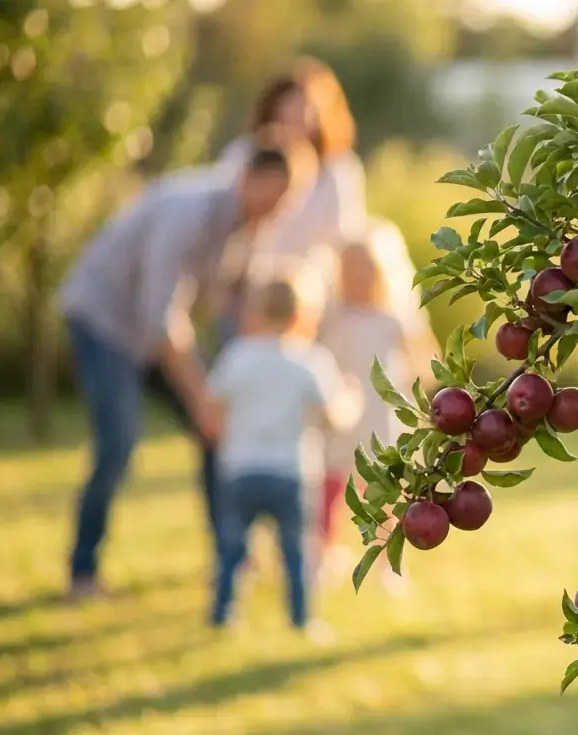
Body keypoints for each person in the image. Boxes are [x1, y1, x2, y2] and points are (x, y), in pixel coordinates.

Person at [59, 145, 295, 600]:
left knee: (216, 432)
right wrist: (201, 399)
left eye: (288, 200)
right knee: (119, 443)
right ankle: (82, 573)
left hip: (150, 334)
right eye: (276, 196)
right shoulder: (188, 210)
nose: (279, 210)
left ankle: (230, 557)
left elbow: (241, 313)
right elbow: (161, 318)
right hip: (103, 322)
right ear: (249, 177)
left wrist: (233, 392)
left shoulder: (247, 231)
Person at [205, 277, 359, 632]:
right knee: (296, 551)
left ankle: (224, 613)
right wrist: (352, 396)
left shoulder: (237, 356)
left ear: (255, 313)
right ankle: (302, 619)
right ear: (302, 316)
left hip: (240, 468)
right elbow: (336, 417)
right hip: (291, 470)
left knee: (232, 547)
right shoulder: (309, 360)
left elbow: (212, 407)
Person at [315, 235, 431, 577]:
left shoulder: (390, 320)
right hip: (343, 418)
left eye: (366, 273)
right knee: (333, 487)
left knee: (386, 493)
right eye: (350, 273)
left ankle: (387, 560)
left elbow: (419, 362)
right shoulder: (335, 322)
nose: (359, 281)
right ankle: (323, 553)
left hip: (382, 420)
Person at [216, 59, 366, 260]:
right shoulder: (242, 154)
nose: (297, 116)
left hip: (310, 279)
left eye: (305, 108)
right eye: (288, 107)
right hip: (247, 268)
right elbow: (223, 211)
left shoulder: (338, 171)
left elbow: (344, 237)